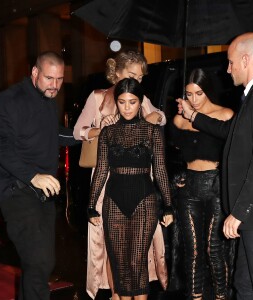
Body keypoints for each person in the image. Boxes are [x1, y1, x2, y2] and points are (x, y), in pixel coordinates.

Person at [179, 32, 253, 299]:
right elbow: (229, 129)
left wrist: (240, 212)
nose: (227, 69)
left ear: (245, 59)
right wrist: (194, 116)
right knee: (244, 285)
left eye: (230, 62)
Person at [73, 50, 168, 300]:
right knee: (110, 246)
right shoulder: (98, 97)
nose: (137, 80)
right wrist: (101, 130)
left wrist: (151, 118)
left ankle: (131, 291)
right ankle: (116, 293)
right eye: (131, 74)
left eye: (140, 76)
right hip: (105, 178)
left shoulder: (139, 96)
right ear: (117, 72)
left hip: (138, 177)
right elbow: (77, 131)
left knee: (136, 251)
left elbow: (160, 118)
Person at [0, 51, 76, 300]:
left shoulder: (48, 100)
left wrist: (83, 134)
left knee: (40, 263)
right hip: (16, 189)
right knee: (38, 260)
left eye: (60, 79)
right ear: (34, 73)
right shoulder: (9, 100)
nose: (55, 85)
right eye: (49, 78)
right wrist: (33, 176)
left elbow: (53, 133)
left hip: (42, 193)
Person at [170, 68, 233, 300]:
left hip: (215, 186)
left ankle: (221, 297)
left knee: (214, 250)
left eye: (199, 93)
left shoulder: (225, 115)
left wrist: (192, 116)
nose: (193, 100)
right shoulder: (179, 120)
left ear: (208, 91)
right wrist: (178, 175)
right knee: (193, 251)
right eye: (188, 94)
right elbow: (175, 155)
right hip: (189, 188)